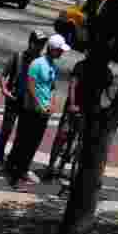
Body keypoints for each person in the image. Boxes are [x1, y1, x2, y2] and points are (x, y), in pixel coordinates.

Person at [6, 33, 69, 189]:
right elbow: (30, 86)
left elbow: (52, 87)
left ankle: (23, 170)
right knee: (24, 142)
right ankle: (15, 177)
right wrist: (38, 104)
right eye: (60, 50)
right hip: (31, 110)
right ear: (53, 49)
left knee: (34, 143)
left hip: (43, 112)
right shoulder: (37, 64)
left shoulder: (52, 66)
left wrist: (52, 104)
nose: (62, 53)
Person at [0, 30, 45, 174]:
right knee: (6, 131)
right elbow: (3, 75)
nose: (40, 47)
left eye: (42, 44)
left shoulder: (41, 62)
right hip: (14, 99)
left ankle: (11, 163)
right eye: (37, 43)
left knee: (21, 134)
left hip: (29, 103)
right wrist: (4, 90)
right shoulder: (18, 57)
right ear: (30, 43)